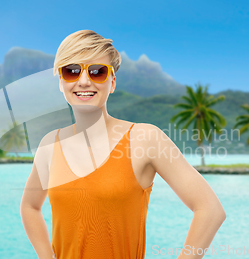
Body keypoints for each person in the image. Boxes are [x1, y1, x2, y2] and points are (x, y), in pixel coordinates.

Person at [20, 29, 226, 259]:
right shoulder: (50, 144)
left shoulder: (144, 138)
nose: (84, 81)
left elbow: (210, 210)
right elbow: (30, 206)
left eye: (97, 71)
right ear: (61, 81)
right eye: (72, 71)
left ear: (112, 81)